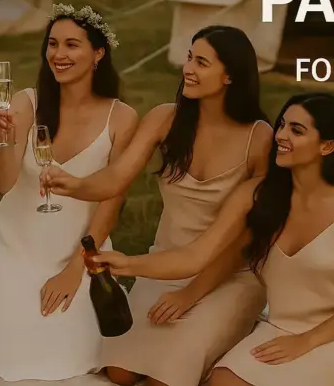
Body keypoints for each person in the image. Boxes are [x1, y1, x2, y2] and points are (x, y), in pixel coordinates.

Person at [89, 92, 334, 386]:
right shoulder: (260, 197)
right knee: (220, 383)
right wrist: (128, 265)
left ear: (327, 146)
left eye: (297, 131)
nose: (281, 136)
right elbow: (199, 255)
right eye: (282, 125)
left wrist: (307, 341)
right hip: (283, 329)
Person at [43, 25, 273, 386]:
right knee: (118, 372)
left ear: (229, 75)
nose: (188, 69)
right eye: (189, 58)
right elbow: (117, 177)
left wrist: (190, 295)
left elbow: (246, 243)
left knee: (163, 382)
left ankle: (229, 340)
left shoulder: (260, 138)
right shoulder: (166, 118)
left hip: (229, 275)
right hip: (163, 263)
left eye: (202, 62)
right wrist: (76, 185)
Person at [0, 4, 139, 381]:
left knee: (74, 355)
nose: (59, 54)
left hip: (79, 250)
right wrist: (5, 141)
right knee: (4, 353)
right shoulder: (27, 102)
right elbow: (2, 184)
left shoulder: (121, 118)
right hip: (13, 247)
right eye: (52, 44)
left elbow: (112, 203)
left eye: (72, 45)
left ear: (98, 53)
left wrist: (77, 270)